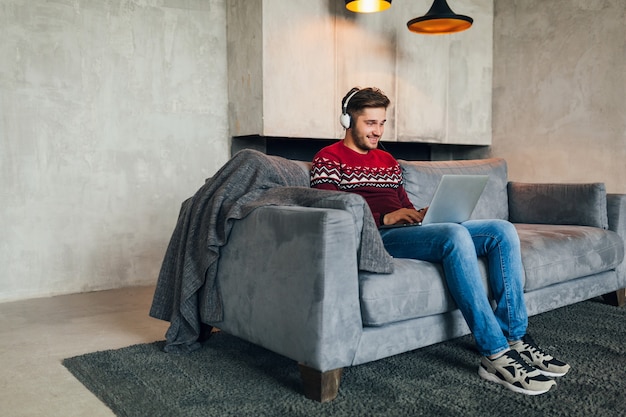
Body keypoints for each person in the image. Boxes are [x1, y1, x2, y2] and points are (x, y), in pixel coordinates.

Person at [310, 87, 570, 395]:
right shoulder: (328, 158)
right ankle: (495, 354)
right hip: (376, 236)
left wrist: (420, 213)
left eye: (382, 123)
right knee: (454, 234)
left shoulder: (388, 161)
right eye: (370, 123)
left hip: (405, 229)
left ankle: (514, 337)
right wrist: (384, 219)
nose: (378, 131)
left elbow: (400, 201)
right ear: (347, 120)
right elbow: (330, 210)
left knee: (501, 230)